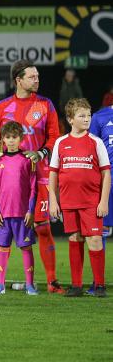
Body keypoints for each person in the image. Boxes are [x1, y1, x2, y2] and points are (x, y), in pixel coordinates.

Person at [0, 61, 62, 294]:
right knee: (2, 228)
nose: (37, 80)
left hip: (39, 176)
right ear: (18, 80)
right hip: (10, 180)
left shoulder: (45, 104)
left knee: (42, 227)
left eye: (37, 76)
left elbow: (54, 136)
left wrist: (42, 153)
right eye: (32, 77)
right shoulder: (2, 107)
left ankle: (51, 282)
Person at [49, 98, 110, 297]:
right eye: (82, 115)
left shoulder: (96, 142)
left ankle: (99, 285)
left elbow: (106, 173)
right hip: (68, 201)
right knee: (75, 238)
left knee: (95, 240)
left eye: (89, 115)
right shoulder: (61, 142)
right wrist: (53, 200)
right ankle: (76, 286)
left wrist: (103, 201)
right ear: (70, 119)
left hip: (91, 202)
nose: (87, 119)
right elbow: (53, 173)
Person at [0, 121, 39, 296]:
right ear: (3, 139)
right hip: (3, 214)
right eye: (7, 137)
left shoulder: (27, 160)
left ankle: (30, 285)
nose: (11, 140)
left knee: (26, 247)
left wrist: (30, 210)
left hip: (22, 214)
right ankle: (0, 285)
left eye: (14, 137)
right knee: (2, 248)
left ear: (20, 138)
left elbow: (33, 188)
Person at [89, 97, 113, 293]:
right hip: (107, 182)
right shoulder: (100, 117)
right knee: (100, 230)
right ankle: (99, 282)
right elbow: (90, 149)